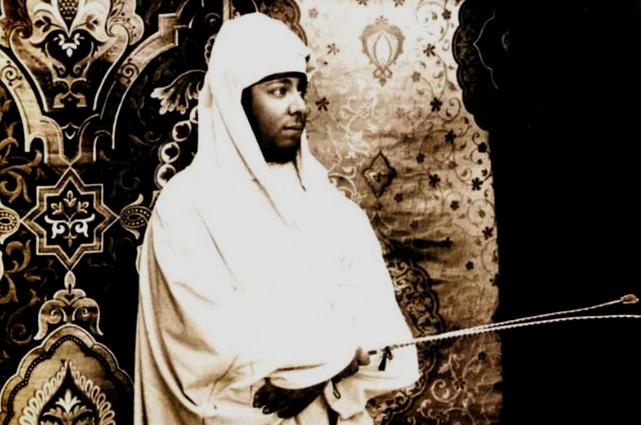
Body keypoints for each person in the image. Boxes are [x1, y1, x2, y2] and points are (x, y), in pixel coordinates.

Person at [134, 12, 419, 425]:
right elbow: (207, 347)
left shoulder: (333, 211)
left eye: (300, 89)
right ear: (237, 101)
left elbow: (387, 343)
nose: (299, 106)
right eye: (279, 90)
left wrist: (322, 368)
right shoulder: (186, 209)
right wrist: (336, 354)